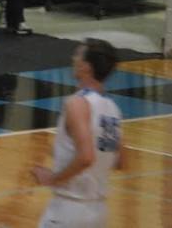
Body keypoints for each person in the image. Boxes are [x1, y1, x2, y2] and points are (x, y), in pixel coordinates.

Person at [32, 39, 123, 228]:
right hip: (98, 212)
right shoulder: (113, 109)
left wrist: (53, 179)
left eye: (78, 56)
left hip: (68, 210)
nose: (73, 59)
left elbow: (86, 157)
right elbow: (120, 161)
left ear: (86, 67)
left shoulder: (77, 103)